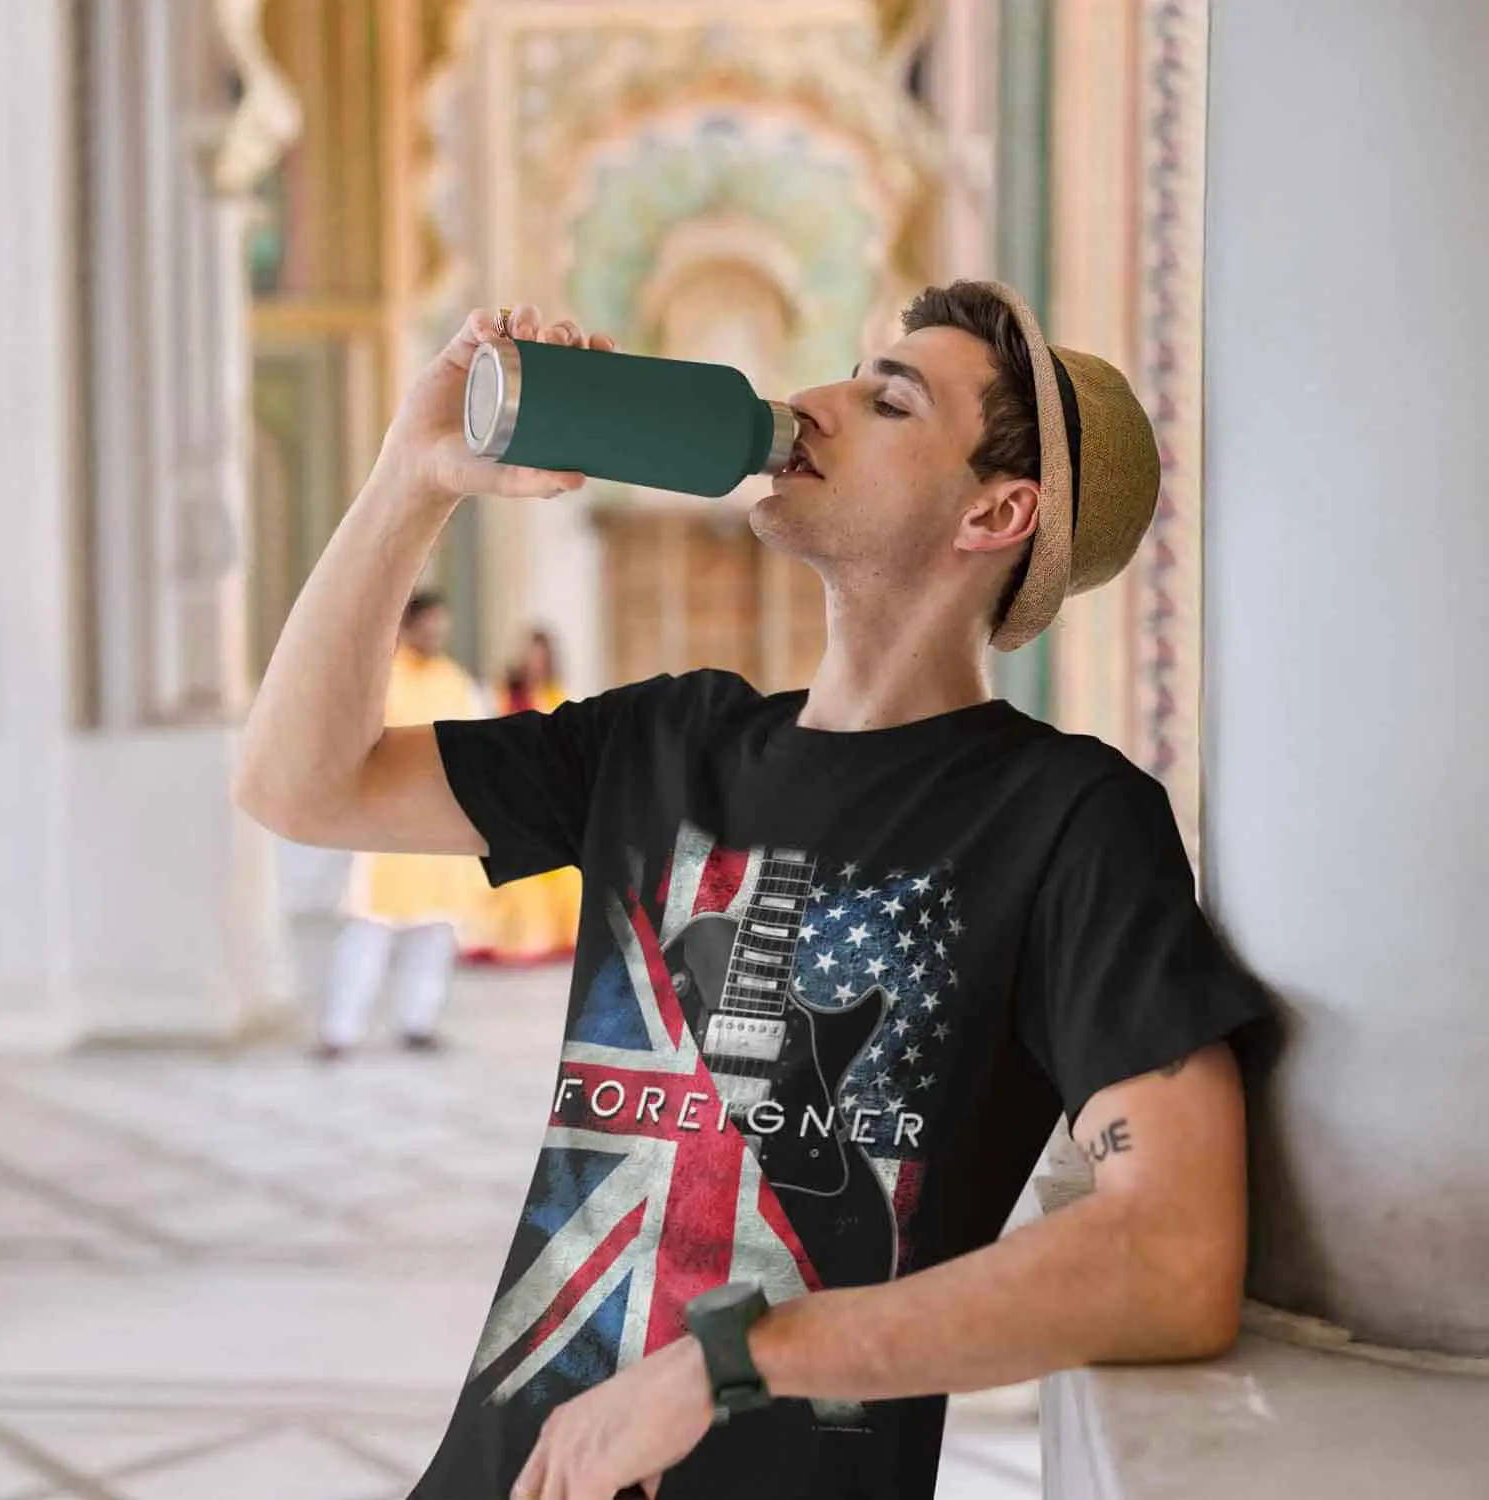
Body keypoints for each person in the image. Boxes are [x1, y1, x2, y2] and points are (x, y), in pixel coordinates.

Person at [236, 285, 1278, 1500]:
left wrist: (733, 1363)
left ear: (995, 511)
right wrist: (409, 481)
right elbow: (299, 784)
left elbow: (1172, 1256)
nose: (814, 404)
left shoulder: (1064, 821)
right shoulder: (668, 739)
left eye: (888, 399)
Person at [316, 589, 488, 1059]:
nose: (435, 633)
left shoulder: (457, 682)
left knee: (434, 929)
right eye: (427, 624)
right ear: (408, 627)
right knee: (370, 927)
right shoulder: (380, 681)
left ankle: (418, 1022)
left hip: (441, 825)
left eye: (441, 624)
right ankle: (340, 1031)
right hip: (386, 825)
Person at [462, 629, 582, 966]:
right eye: (529, 655)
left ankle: (557, 936)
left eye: (540, 656)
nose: (534, 663)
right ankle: (521, 939)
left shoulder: (558, 695)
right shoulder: (505, 696)